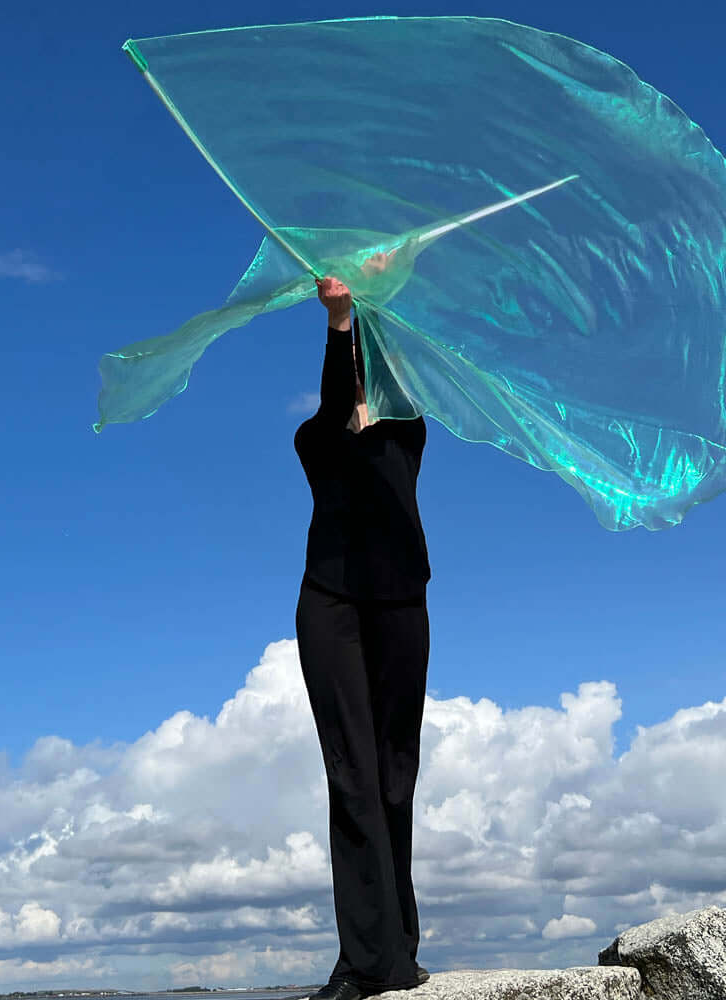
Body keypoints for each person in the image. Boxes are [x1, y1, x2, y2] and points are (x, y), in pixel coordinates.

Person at [294, 270, 432, 1000]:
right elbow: (331, 396)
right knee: (352, 779)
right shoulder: (314, 437)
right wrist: (338, 323)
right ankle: (361, 962)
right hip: (330, 607)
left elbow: (388, 393)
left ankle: (400, 949)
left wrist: (369, 319)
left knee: (395, 778)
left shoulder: (409, 433)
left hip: (403, 604)